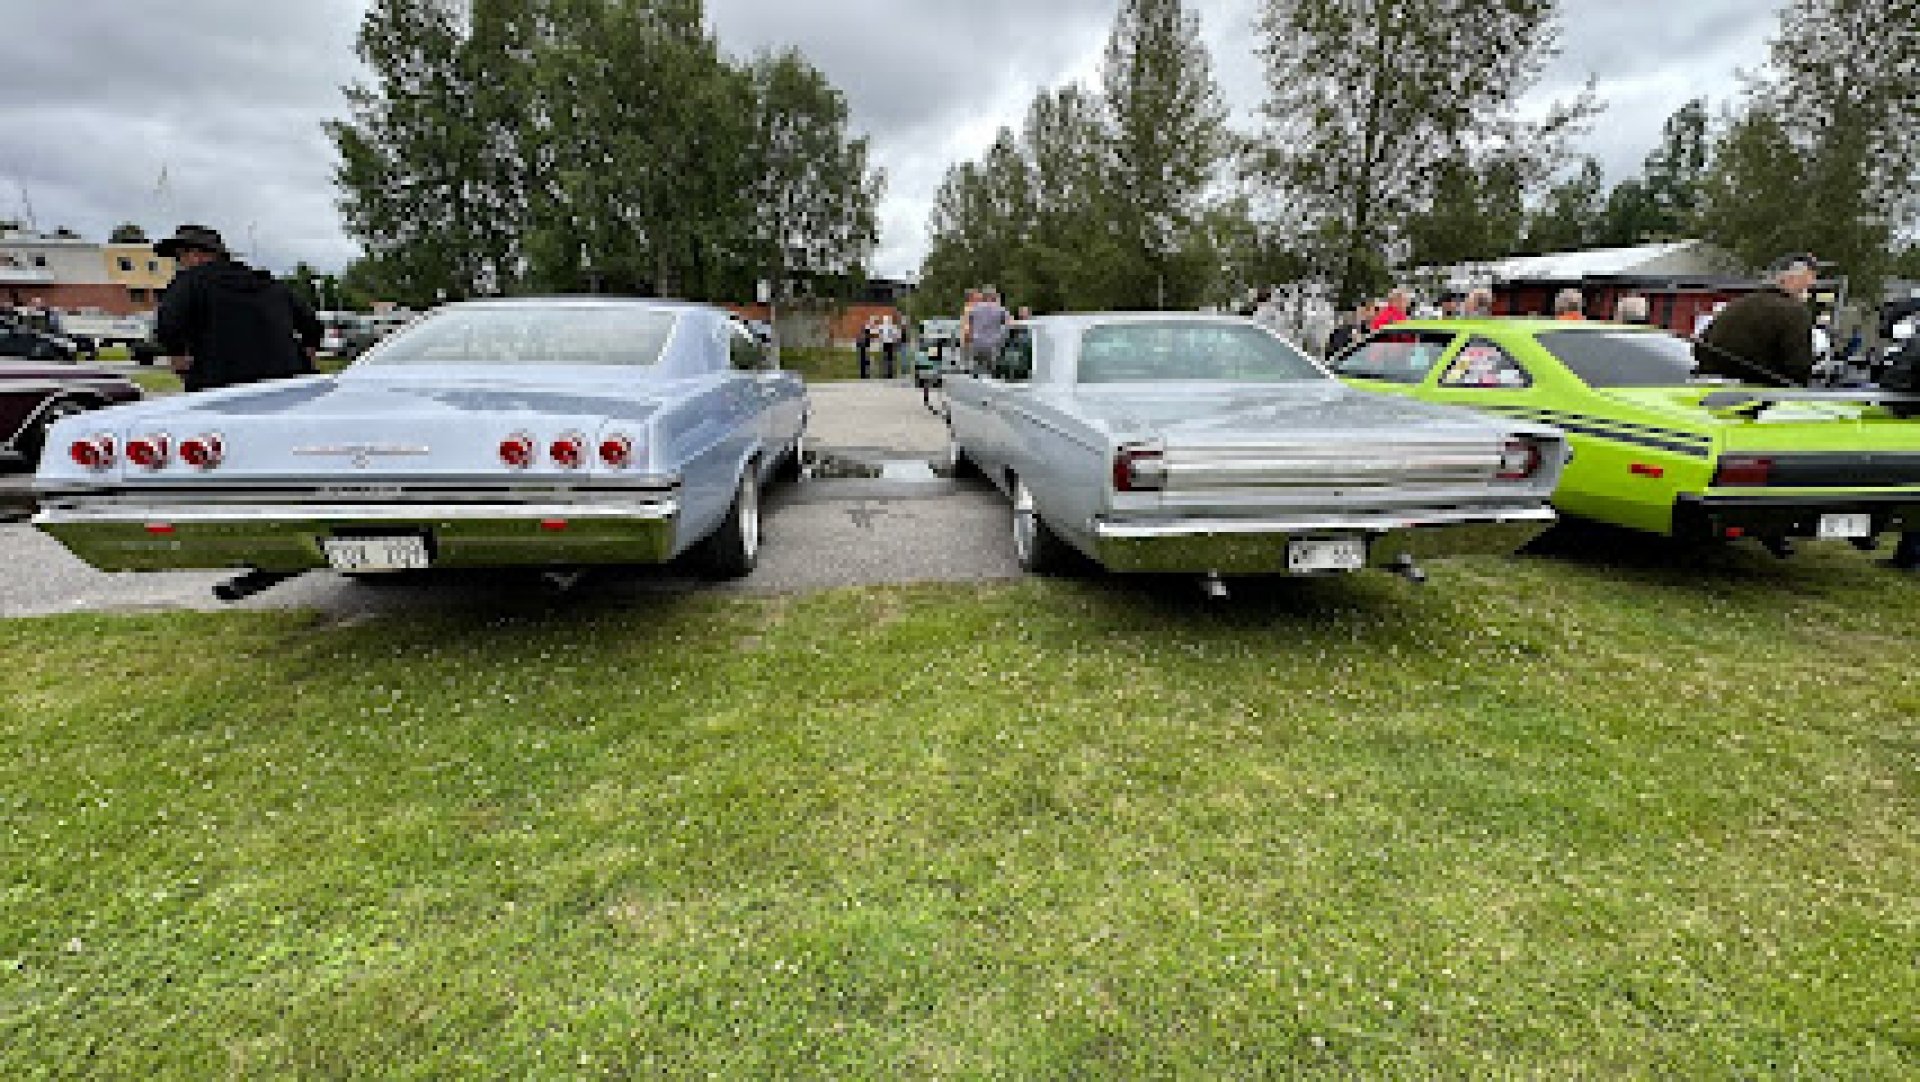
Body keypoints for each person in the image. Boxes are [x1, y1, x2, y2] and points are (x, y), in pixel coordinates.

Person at [154, 224, 315, 392]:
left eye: (179, 257)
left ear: (194, 254)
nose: (180, 263)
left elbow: (168, 322)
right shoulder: (267, 283)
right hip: (288, 385)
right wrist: (308, 351)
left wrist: (177, 355)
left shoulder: (189, 282)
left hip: (221, 388)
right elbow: (311, 322)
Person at [1693, 254, 1819, 386]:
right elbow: (1798, 367)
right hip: (1764, 391)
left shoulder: (1737, 305)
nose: (1812, 284)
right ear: (1790, 279)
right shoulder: (1794, 312)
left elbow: (1701, 346)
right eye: (1809, 278)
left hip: (1713, 389)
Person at [964, 288, 1010, 372]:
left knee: (977, 367)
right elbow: (1009, 323)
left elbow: (969, 328)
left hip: (977, 343)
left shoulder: (973, 308)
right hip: (993, 344)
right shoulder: (1000, 309)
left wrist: (967, 343)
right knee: (991, 368)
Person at [878, 314, 902, 378]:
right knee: (889, 358)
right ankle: (889, 373)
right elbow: (897, 335)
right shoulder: (891, 327)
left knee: (887, 358)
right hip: (889, 343)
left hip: (887, 343)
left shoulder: (883, 327)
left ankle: (887, 373)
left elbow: (881, 336)